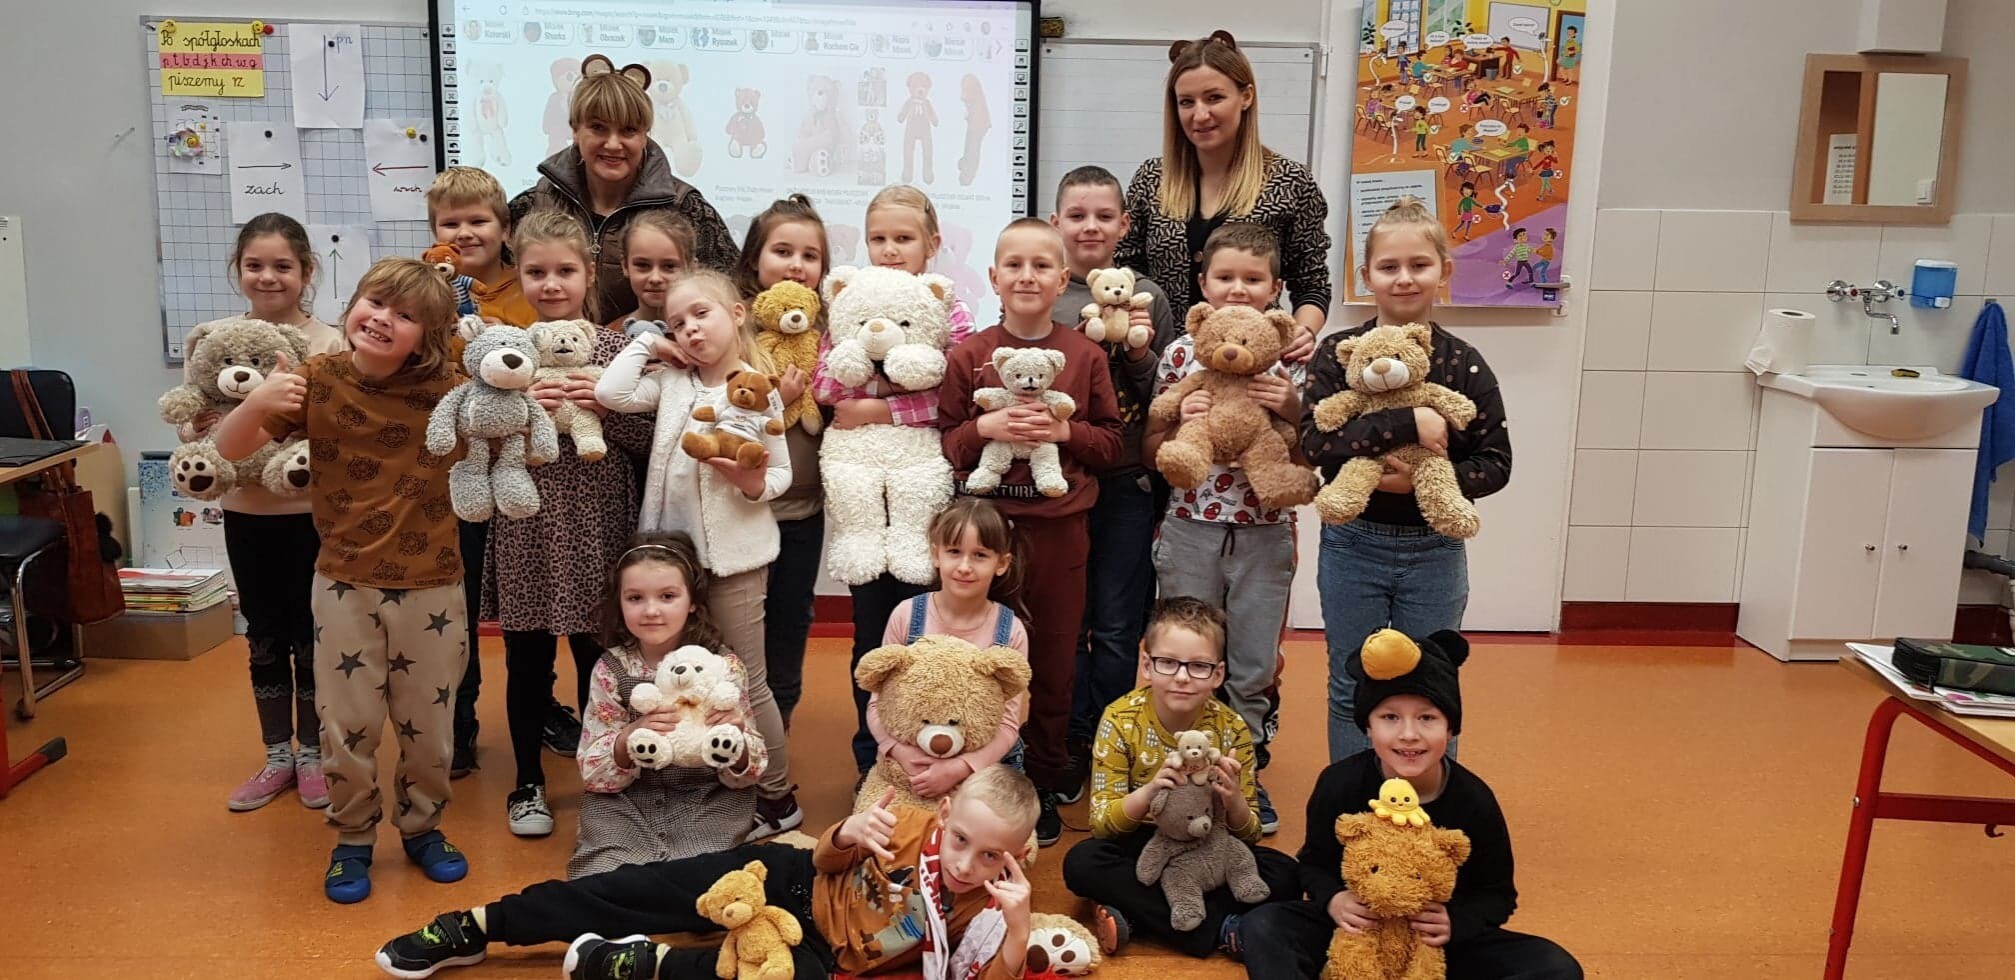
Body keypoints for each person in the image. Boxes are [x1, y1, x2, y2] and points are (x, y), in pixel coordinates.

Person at [213, 257, 470, 903]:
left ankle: (422, 828)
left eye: (405, 315)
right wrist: (257, 401)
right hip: (343, 584)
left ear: (429, 335)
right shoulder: (316, 378)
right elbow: (230, 449)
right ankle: (352, 837)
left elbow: (506, 406)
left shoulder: (451, 387)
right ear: (353, 303)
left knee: (430, 727)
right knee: (346, 725)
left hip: (433, 584)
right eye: (374, 302)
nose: (382, 319)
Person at [372, 766, 1043, 980]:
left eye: (991, 855)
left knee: (766, 978)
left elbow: (982, 977)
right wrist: (844, 834)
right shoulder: (906, 823)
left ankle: (639, 963)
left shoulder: (989, 905)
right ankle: (480, 925)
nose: (966, 864)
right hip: (789, 879)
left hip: (819, 952)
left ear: (1016, 854)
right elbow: (823, 859)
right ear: (946, 812)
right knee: (639, 888)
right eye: (962, 840)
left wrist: (1016, 928)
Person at [1238, 630, 1583, 980]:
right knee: (1264, 925)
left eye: (1427, 718)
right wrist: (1334, 899)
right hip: (1356, 932)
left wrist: (1456, 922)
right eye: (1390, 717)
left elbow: (1497, 893)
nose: (1409, 734)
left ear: (1450, 729)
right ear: (1368, 727)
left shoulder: (1473, 799)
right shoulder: (1339, 783)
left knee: (1556, 967)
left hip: (1435, 944)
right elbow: (1314, 864)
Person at [1301, 197, 1512, 763]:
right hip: (1353, 546)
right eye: (1388, 266)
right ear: (1365, 275)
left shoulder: (1462, 363)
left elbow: (1496, 463)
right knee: (1353, 678)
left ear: (1443, 271)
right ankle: (1354, 795)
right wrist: (1407, 423)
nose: (1403, 278)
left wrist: (1420, 483)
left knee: (1431, 684)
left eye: (1419, 265)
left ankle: (1427, 800)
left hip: (1434, 550)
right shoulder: (1338, 355)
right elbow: (1315, 442)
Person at [938, 218, 1124, 846]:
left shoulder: (1085, 355)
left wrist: (1064, 432)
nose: (1027, 276)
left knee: (1052, 656)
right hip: (983, 535)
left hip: (1059, 532)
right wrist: (984, 431)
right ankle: (975, 772)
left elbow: (1113, 444)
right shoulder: (970, 355)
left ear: (1063, 280)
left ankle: (1040, 777)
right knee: (974, 654)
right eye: (1013, 265)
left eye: (1041, 265)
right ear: (993, 277)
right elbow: (945, 442)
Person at [596, 268, 800, 837]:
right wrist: (648, 343)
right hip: (671, 566)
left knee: (746, 681)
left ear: (736, 314)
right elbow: (611, 393)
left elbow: (780, 475)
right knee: (684, 675)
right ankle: (701, 775)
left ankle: (778, 797)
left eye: (700, 315)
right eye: (677, 322)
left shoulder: (757, 390)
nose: (689, 329)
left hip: (735, 564)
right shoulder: (670, 382)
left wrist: (749, 481)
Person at [485, 210, 652, 836]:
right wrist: (520, 411)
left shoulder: (617, 350)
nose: (551, 284)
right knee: (526, 659)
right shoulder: (501, 353)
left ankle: (600, 776)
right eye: (536, 272)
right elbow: (478, 435)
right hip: (527, 524)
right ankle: (527, 781)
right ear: (519, 274)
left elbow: (651, 438)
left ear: (589, 273)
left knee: (598, 659)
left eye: (564, 271)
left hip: (600, 524)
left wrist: (607, 413)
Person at [1144, 222, 1307, 832]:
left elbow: (1311, 450)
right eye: (1225, 277)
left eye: (1253, 279)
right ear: (1203, 283)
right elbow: (1151, 446)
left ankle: (1245, 773)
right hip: (1191, 528)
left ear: (1276, 288)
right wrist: (1176, 418)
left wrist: (1291, 408)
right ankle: (1177, 772)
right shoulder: (1181, 355)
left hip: (1265, 532)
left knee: (1253, 663)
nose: (1238, 289)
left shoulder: (1291, 358)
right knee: (1185, 656)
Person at [186, 213, 345, 814]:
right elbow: (197, 427)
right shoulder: (216, 341)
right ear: (238, 270)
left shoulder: (330, 343)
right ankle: (278, 754)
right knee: (264, 634)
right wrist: (237, 415)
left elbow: (337, 429)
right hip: (247, 514)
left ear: (307, 271)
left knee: (313, 635)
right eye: (255, 265)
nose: (268, 277)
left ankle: (314, 754)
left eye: (283, 266)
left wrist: (261, 420)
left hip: (314, 516)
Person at [816, 184, 977, 772]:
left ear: (931, 244)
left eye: (903, 238)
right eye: (878, 238)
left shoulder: (950, 310)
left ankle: (930, 748)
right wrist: (874, 389)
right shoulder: (852, 300)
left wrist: (880, 407)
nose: (889, 250)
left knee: (927, 629)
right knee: (871, 633)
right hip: (864, 496)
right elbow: (828, 385)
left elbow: (957, 393)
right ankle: (873, 756)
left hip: (921, 492)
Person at [1063, 597, 1300, 960]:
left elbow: (1249, 834)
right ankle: (1223, 929)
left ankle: (1141, 916)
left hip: (1209, 845)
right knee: (1082, 862)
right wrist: (1150, 791)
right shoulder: (1119, 719)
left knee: (1287, 873)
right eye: (1168, 662)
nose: (1182, 677)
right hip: (1145, 844)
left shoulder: (1232, 728)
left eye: (1199, 666)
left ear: (1218, 674)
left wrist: (1233, 799)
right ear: (1147, 665)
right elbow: (1103, 825)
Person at [1047, 165, 1179, 799]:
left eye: (1104, 216)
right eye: (1077, 215)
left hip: (1128, 482)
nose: (1090, 227)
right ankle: (1072, 737)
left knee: (1121, 621)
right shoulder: (1045, 291)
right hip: (1060, 479)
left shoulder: (1150, 295)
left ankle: (1111, 736)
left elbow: (1169, 394)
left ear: (1125, 225)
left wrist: (1139, 352)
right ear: (1056, 223)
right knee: (1066, 620)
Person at [1118, 31, 1329, 360]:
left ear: (1246, 96)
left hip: (1250, 362)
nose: (1200, 115)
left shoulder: (1290, 181)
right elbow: (1124, 270)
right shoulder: (1151, 179)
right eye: (1186, 102)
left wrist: (1303, 332)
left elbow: (1311, 282)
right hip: (1159, 363)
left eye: (1214, 98)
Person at [426, 167, 539, 779]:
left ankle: (542, 708)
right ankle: (459, 722)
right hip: (460, 476)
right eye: (451, 223)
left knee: (528, 610)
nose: (465, 233)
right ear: (434, 231)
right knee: (460, 609)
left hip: (525, 474)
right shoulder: (428, 291)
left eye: (479, 220)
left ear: (505, 228)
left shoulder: (530, 289)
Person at [570, 533, 766, 877]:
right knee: (604, 876)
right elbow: (593, 772)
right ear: (619, 602)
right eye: (635, 598)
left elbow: (751, 771)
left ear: (692, 602)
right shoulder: (610, 669)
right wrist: (627, 737)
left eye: (667, 596)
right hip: (624, 802)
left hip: (708, 799)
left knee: (704, 877)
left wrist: (736, 741)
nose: (651, 611)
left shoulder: (723, 667)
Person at [510, 54, 738, 318]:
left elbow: (733, 296)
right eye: (598, 128)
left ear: (645, 134)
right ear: (575, 129)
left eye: (628, 130)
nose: (613, 144)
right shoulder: (535, 204)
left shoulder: (685, 208)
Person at [731, 194, 830, 725]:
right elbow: (720, 410)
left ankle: (780, 716)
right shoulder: (733, 331)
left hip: (801, 510)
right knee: (736, 618)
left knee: (791, 615)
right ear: (754, 259)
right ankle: (732, 715)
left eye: (810, 256)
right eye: (783, 251)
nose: (796, 265)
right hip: (740, 509)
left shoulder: (828, 337)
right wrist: (779, 400)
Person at [870, 498, 1031, 794]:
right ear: (936, 554)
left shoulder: (1011, 631)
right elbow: (878, 703)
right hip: (911, 759)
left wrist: (961, 768)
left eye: (980, 555)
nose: (964, 567)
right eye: (954, 552)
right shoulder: (906, 616)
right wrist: (901, 753)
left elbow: (1008, 723)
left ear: (1001, 563)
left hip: (985, 765)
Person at [608, 209, 692, 328]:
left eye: (669, 266)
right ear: (625, 266)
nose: (655, 278)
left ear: (690, 268)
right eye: (643, 265)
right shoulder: (610, 334)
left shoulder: (706, 333)